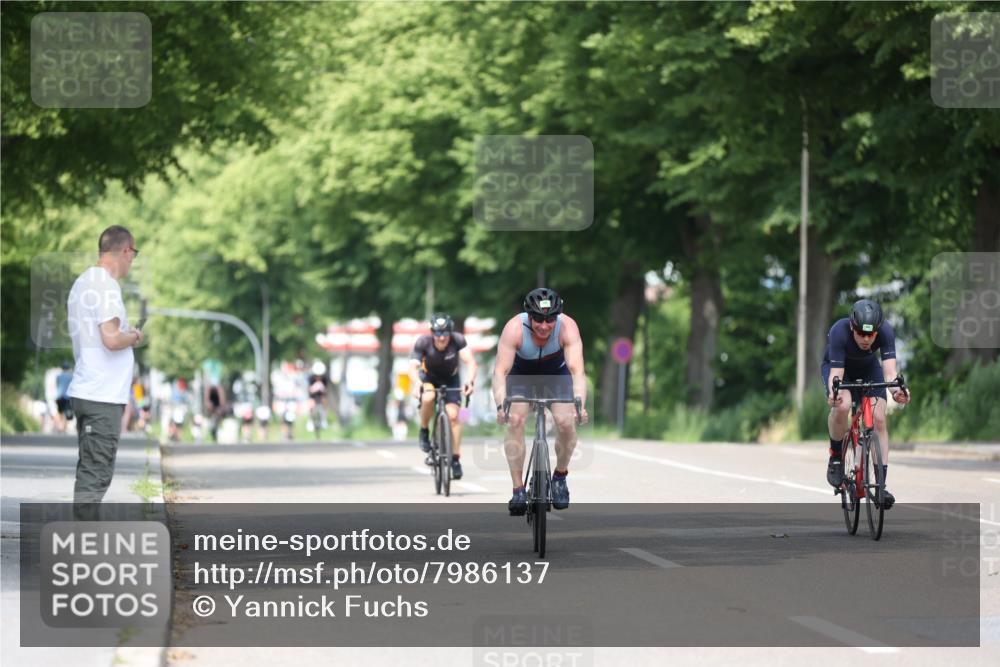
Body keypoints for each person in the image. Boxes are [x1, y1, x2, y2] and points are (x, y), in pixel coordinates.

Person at [66, 225, 143, 519]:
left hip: (89, 388)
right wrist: (134, 335)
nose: (132, 261)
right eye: (133, 254)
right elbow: (111, 339)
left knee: (91, 468)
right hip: (101, 394)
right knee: (96, 473)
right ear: (125, 251)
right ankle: (82, 547)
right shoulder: (106, 285)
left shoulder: (83, 282)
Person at [492, 288, 589, 515]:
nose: (544, 326)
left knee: (566, 423)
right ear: (529, 316)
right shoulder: (514, 329)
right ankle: (518, 490)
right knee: (515, 419)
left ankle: (560, 477)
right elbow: (499, 372)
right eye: (538, 319)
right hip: (521, 375)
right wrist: (500, 405)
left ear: (557, 317)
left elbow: (577, 372)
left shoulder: (568, 327)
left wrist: (580, 404)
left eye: (550, 319)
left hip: (556, 376)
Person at [822, 299, 910, 509]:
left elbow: (890, 373)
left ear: (877, 331)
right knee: (843, 405)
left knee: (879, 418)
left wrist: (898, 392)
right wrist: (835, 394)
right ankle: (835, 457)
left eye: (870, 335)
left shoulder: (886, 331)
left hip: (869, 369)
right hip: (841, 370)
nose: (865, 339)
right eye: (861, 333)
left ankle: (879, 486)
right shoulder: (839, 331)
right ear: (852, 326)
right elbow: (836, 374)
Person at [409, 313, 477, 480]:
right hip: (429, 378)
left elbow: (471, 362)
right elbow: (412, 367)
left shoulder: (458, 340)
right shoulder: (423, 342)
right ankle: (424, 430)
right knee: (428, 397)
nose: (441, 338)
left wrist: (470, 381)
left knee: (454, 416)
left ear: (450, 333)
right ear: (432, 333)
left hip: (451, 379)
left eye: (445, 333)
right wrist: (417, 383)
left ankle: (455, 459)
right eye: (437, 333)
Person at [54, 361, 74, 433]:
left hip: (59, 396)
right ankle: (64, 427)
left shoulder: (58, 376)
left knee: (59, 412)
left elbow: (57, 385)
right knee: (67, 412)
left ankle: (59, 426)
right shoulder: (71, 376)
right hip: (67, 396)